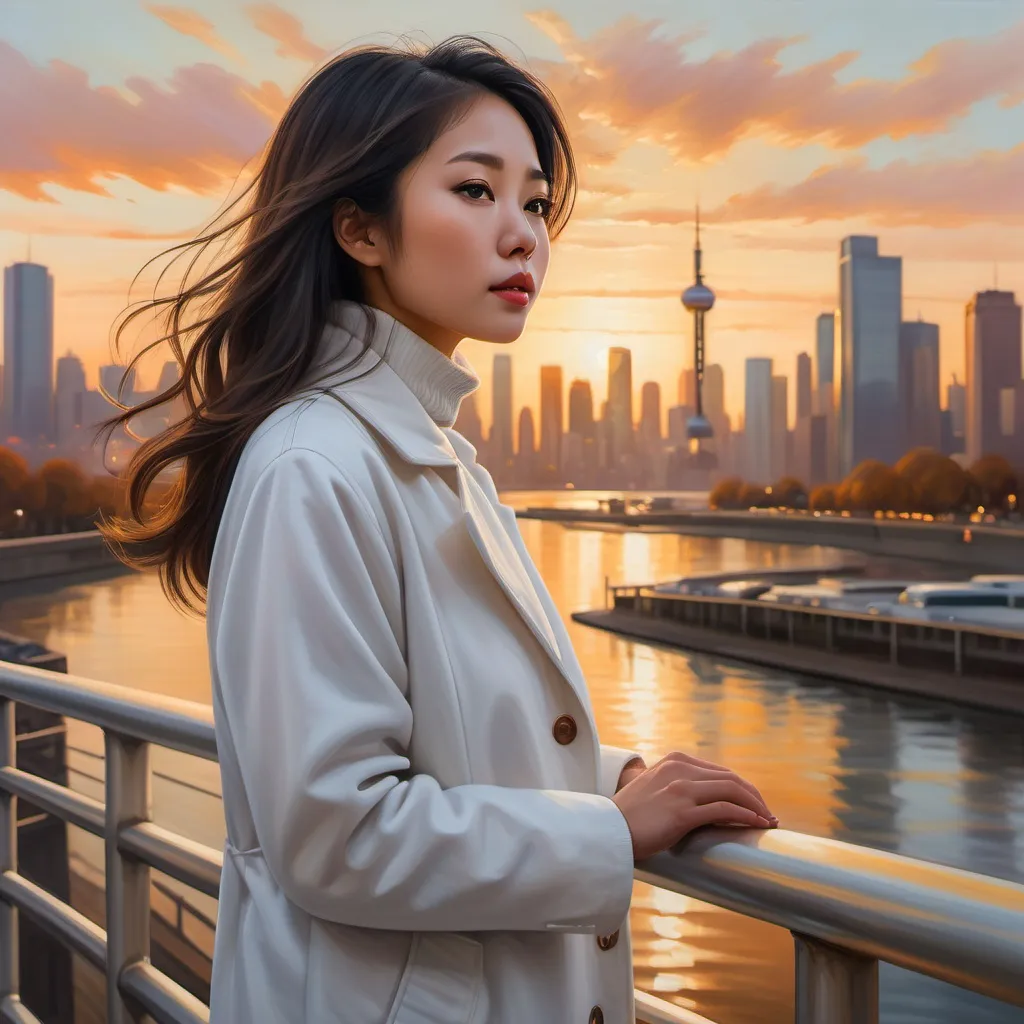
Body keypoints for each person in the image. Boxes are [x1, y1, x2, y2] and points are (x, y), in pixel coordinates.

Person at [102, 35, 776, 1024]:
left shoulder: (426, 452)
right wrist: (608, 831)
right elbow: (338, 832)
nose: (523, 235)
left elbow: (452, 743)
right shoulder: (315, 466)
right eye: (475, 191)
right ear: (359, 230)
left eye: (535, 202)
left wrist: (611, 776)